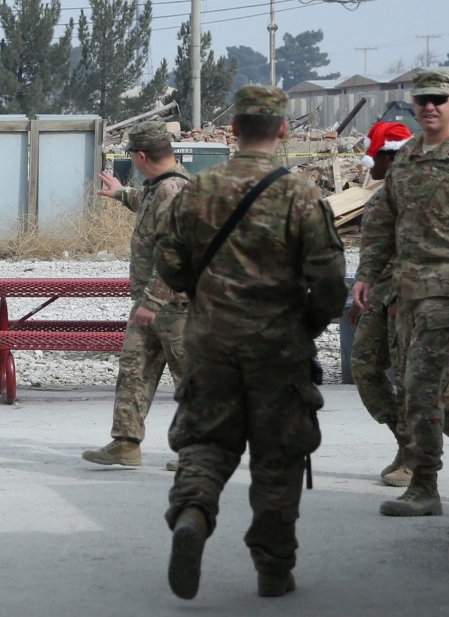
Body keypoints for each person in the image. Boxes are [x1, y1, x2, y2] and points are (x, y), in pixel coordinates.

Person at [154, 85, 347, 600]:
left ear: (234, 130)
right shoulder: (301, 194)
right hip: (278, 349)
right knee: (278, 456)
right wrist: (308, 324)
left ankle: (193, 513)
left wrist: (203, 295)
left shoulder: (197, 189)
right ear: (283, 131)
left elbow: (168, 264)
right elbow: (329, 279)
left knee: (206, 441)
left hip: (211, 343)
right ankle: (273, 567)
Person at [353, 69, 449, 516]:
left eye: (438, 99)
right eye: (422, 101)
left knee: (419, 387)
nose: (429, 107)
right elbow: (383, 224)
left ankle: (424, 486)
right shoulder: (409, 157)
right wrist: (366, 274)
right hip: (405, 293)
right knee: (430, 387)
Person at [81, 121, 191, 470]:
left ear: (141, 156)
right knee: (134, 371)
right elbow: (147, 201)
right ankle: (126, 443)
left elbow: (177, 254)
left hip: (176, 307)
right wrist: (120, 194)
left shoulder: (174, 190)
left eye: (131, 155)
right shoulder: (161, 187)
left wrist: (153, 301)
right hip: (152, 306)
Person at [348, 121, 413, 487]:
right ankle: (406, 441)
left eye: (374, 158)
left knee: (410, 379)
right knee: (365, 368)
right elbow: (375, 251)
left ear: (388, 158)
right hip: (380, 295)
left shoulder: (416, 195)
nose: (370, 166)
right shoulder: (385, 194)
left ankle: (418, 456)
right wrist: (365, 287)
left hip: (410, 298)